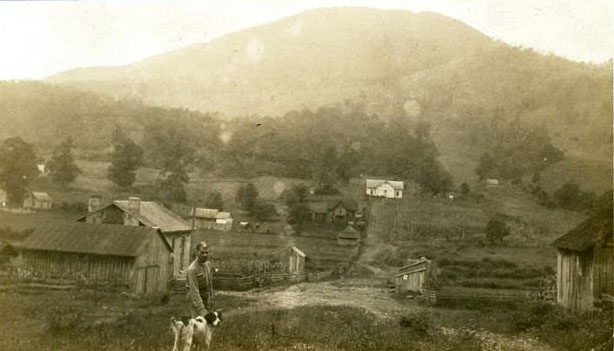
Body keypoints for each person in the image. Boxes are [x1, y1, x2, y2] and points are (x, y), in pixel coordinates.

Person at [186, 241, 214, 317]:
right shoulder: (192, 269)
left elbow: (209, 284)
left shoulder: (207, 264)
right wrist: (202, 311)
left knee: (208, 326)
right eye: (202, 252)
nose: (205, 255)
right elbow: (194, 292)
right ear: (197, 252)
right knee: (198, 325)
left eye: (206, 252)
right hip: (195, 302)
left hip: (205, 300)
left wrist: (211, 299)